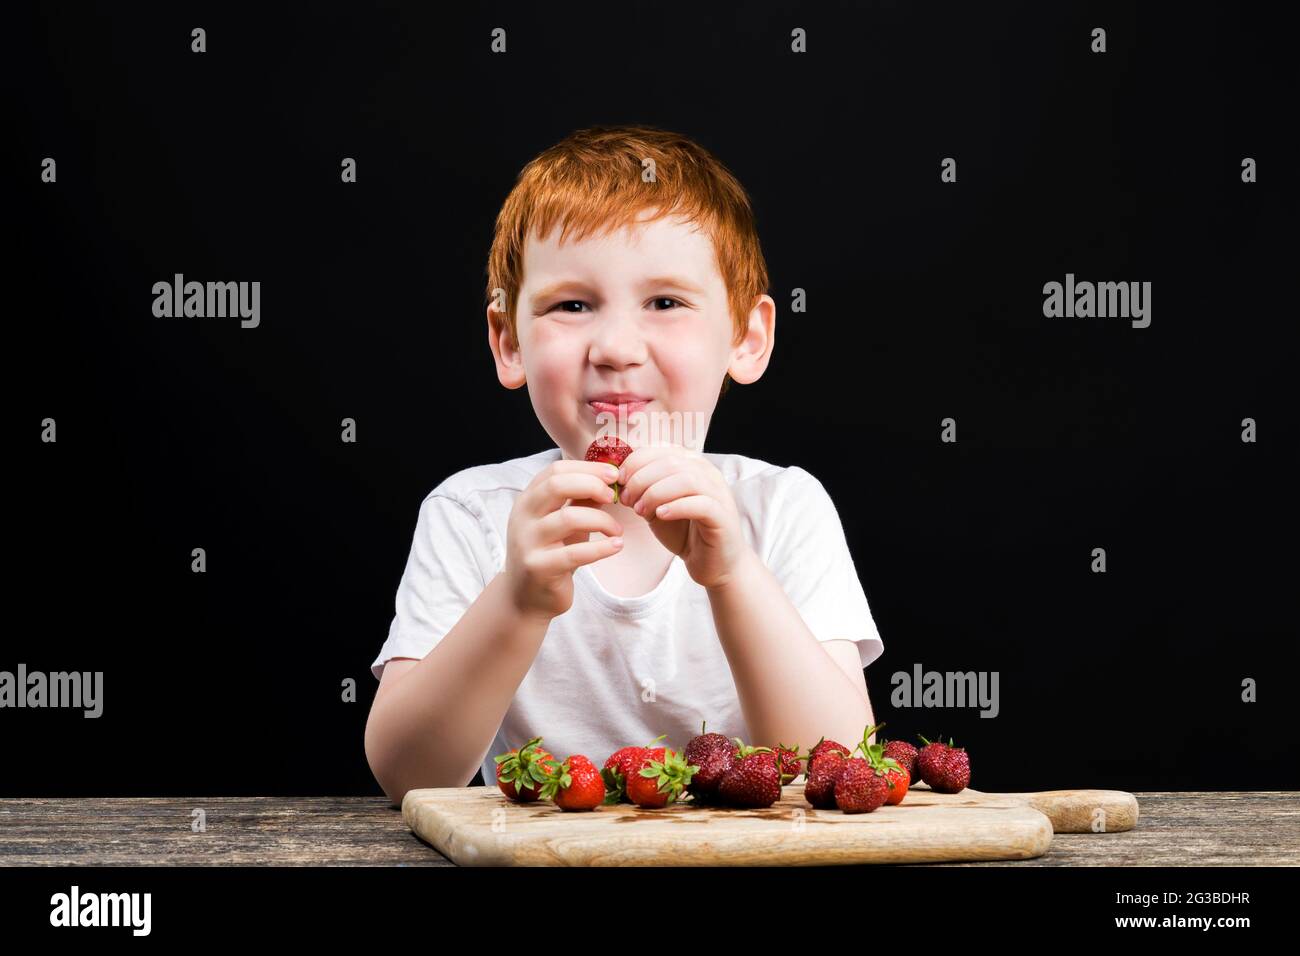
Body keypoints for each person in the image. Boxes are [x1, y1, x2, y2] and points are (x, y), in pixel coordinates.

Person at [364, 125, 883, 805]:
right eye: (572, 306)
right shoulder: (472, 514)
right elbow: (408, 774)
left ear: (747, 339)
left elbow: (840, 768)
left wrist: (732, 575)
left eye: (665, 303)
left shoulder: (781, 507)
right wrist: (516, 599)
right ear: (507, 342)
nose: (615, 347)